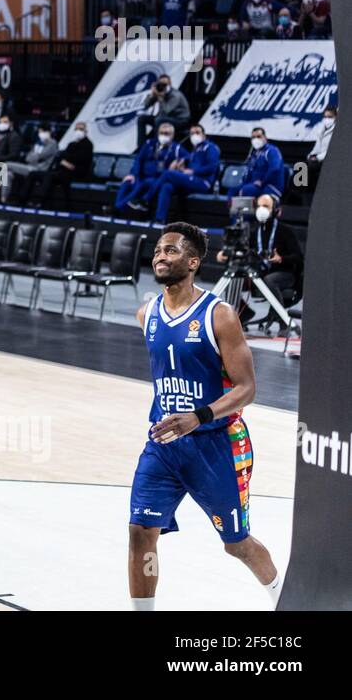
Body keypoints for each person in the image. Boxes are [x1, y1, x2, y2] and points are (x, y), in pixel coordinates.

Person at [128, 223, 282, 611]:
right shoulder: (146, 313)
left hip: (217, 445)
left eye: (172, 251)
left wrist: (198, 416)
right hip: (163, 443)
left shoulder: (220, 315)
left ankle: (286, 597)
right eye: (159, 250)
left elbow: (247, 388)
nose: (161, 256)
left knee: (237, 545)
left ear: (193, 262)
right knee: (141, 531)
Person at [214, 194, 304, 325]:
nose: (261, 210)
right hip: (260, 272)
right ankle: (245, 313)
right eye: (259, 206)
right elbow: (242, 248)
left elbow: (298, 258)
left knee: (270, 280)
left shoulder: (286, 231)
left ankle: (282, 319)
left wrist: (281, 259)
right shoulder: (253, 230)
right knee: (232, 277)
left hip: (285, 273)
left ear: (276, 210)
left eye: (266, 206)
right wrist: (224, 253)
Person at [150, 124, 220, 224]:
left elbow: (211, 167)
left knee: (168, 174)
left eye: (197, 132)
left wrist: (193, 171)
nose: (195, 135)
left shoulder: (211, 148)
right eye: (192, 133)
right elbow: (188, 158)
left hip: (203, 182)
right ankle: (160, 219)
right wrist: (180, 160)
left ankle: (146, 198)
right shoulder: (195, 149)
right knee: (167, 186)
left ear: (204, 135)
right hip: (191, 181)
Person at [117, 121, 186, 214]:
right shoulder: (150, 144)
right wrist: (133, 174)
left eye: (167, 133)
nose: (163, 136)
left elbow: (188, 157)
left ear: (172, 135)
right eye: (161, 133)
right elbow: (138, 160)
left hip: (157, 179)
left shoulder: (177, 148)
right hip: (141, 176)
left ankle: (119, 208)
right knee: (127, 182)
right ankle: (119, 207)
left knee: (143, 184)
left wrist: (179, 161)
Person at [25, 121, 93, 208]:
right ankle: (13, 198)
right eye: (76, 129)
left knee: (4, 165)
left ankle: (40, 201)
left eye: (81, 129)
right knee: (12, 171)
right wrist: (64, 161)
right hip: (59, 170)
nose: (78, 131)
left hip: (73, 172)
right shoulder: (71, 144)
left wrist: (65, 160)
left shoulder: (87, 144)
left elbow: (78, 159)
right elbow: (61, 157)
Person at [0, 124, 57, 204]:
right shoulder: (38, 143)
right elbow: (28, 157)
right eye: (39, 132)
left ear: (48, 132)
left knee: (6, 164)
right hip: (29, 166)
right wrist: (35, 156)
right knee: (8, 173)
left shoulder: (53, 144)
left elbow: (40, 156)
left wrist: (34, 156)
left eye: (42, 132)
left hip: (39, 170)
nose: (40, 134)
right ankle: (4, 198)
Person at [227, 128, 286, 200]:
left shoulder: (272, 151)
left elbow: (275, 169)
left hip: (270, 186)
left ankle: (245, 210)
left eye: (258, 136)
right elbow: (250, 171)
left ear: (265, 138)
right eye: (253, 137)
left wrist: (262, 181)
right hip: (254, 185)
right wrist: (244, 183)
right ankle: (233, 210)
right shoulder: (254, 154)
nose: (256, 139)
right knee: (232, 191)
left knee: (245, 191)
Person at [135, 74, 191, 143]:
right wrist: (152, 95)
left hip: (180, 120)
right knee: (141, 119)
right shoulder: (159, 92)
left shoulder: (175, 95)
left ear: (169, 84)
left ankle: (156, 145)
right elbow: (145, 106)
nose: (162, 86)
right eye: (160, 84)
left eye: (165, 84)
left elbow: (167, 111)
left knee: (159, 120)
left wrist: (160, 97)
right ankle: (142, 146)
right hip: (164, 118)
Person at [305, 106, 336, 195]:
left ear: (335, 118)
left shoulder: (337, 131)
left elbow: (332, 150)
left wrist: (318, 158)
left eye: (330, 117)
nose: (327, 119)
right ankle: (301, 193)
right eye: (325, 117)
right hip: (319, 159)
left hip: (329, 160)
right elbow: (317, 147)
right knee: (301, 166)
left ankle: (314, 194)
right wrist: (311, 155)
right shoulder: (321, 129)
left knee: (311, 167)